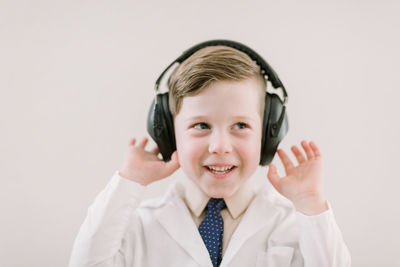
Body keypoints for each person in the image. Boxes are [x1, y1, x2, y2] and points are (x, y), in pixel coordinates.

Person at [69, 41, 351, 267]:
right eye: (201, 125)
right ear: (168, 134)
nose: (220, 146)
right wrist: (128, 183)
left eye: (240, 125)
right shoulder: (140, 226)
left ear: (267, 134)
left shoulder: (293, 225)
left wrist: (312, 206)